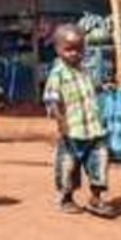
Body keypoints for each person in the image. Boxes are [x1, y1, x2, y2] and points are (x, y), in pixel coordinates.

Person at [44, 25, 114, 217]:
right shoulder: (57, 74)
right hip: (72, 131)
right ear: (58, 49)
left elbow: (91, 89)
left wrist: (103, 87)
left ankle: (96, 198)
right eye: (69, 49)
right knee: (68, 165)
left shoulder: (85, 70)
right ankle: (67, 198)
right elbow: (52, 101)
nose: (74, 53)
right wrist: (61, 122)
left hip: (93, 128)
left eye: (79, 49)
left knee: (99, 161)